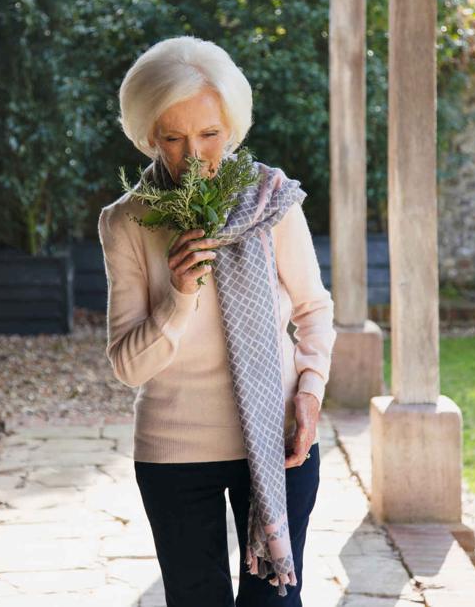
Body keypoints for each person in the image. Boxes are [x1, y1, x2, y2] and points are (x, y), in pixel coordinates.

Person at [98, 36, 337, 607]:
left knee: (275, 603)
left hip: (279, 445)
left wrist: (310, 392)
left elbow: (313, 309)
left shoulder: (271, 201)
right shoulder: (128, 221)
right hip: (173, 455)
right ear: (148, 135)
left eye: (209, 134)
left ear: (230, 126)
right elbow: (129, 367)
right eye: (173, 138)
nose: (194, 155)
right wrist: (179, 296)